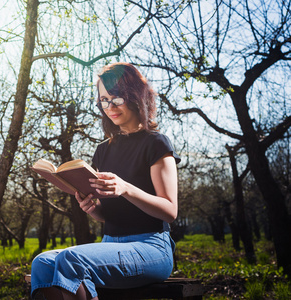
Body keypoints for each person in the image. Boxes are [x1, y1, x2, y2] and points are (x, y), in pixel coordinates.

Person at [30, 62, 181, 300]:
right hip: (110, 243)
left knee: (71, 259)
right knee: (43, 261)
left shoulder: (157, 144)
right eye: (103, 100)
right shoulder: (103, 151)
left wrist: (125, 188)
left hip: (151, 247)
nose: (110, 106)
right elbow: (108, 214)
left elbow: (170, 211)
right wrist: (93, 208)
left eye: (117, 98)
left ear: (134, 96)